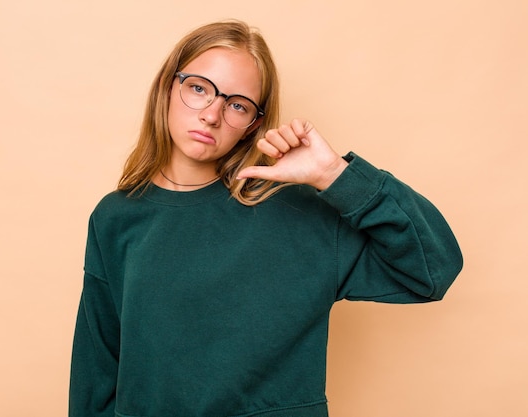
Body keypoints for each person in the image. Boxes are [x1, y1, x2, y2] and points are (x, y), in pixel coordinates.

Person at [69, 20, 463, 417]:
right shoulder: (116, 218)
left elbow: (433, 269)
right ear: (168, 87)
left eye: (237, 104)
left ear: (253, 124)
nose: (212, 115)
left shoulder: (298, 213)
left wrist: (335, 176)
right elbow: (97, 373)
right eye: (199, 88)